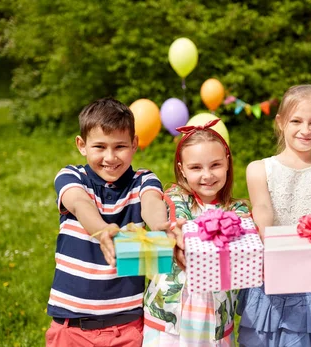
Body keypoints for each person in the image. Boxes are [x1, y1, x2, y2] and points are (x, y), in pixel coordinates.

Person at [46, 97, 174, 347]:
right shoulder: (72, 176)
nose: (110, 157)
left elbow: (151, 205)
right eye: (100, 147)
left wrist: (161, 228)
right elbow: (80, 204)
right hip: (71, 328)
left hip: (127, 328)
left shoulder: (143, 180)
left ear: (135, 144)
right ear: (82, 145)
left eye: (120, 146)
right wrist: (102, 231)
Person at [236, 84, 311, 347]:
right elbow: (263, 209)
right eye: (296, 121)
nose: (305, 129)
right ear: (280, 123)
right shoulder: (259, 169)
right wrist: (276, 251)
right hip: (268, 277)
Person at [143, 119, 249, 346]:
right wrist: (178, 237)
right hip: (169, 321)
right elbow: (175, 222)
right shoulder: (176, 198)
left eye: (215, 165)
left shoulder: (238, 211)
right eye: (196, 167)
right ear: (182, 169)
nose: (207, 175)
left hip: (215, 324)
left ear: (228, 164)